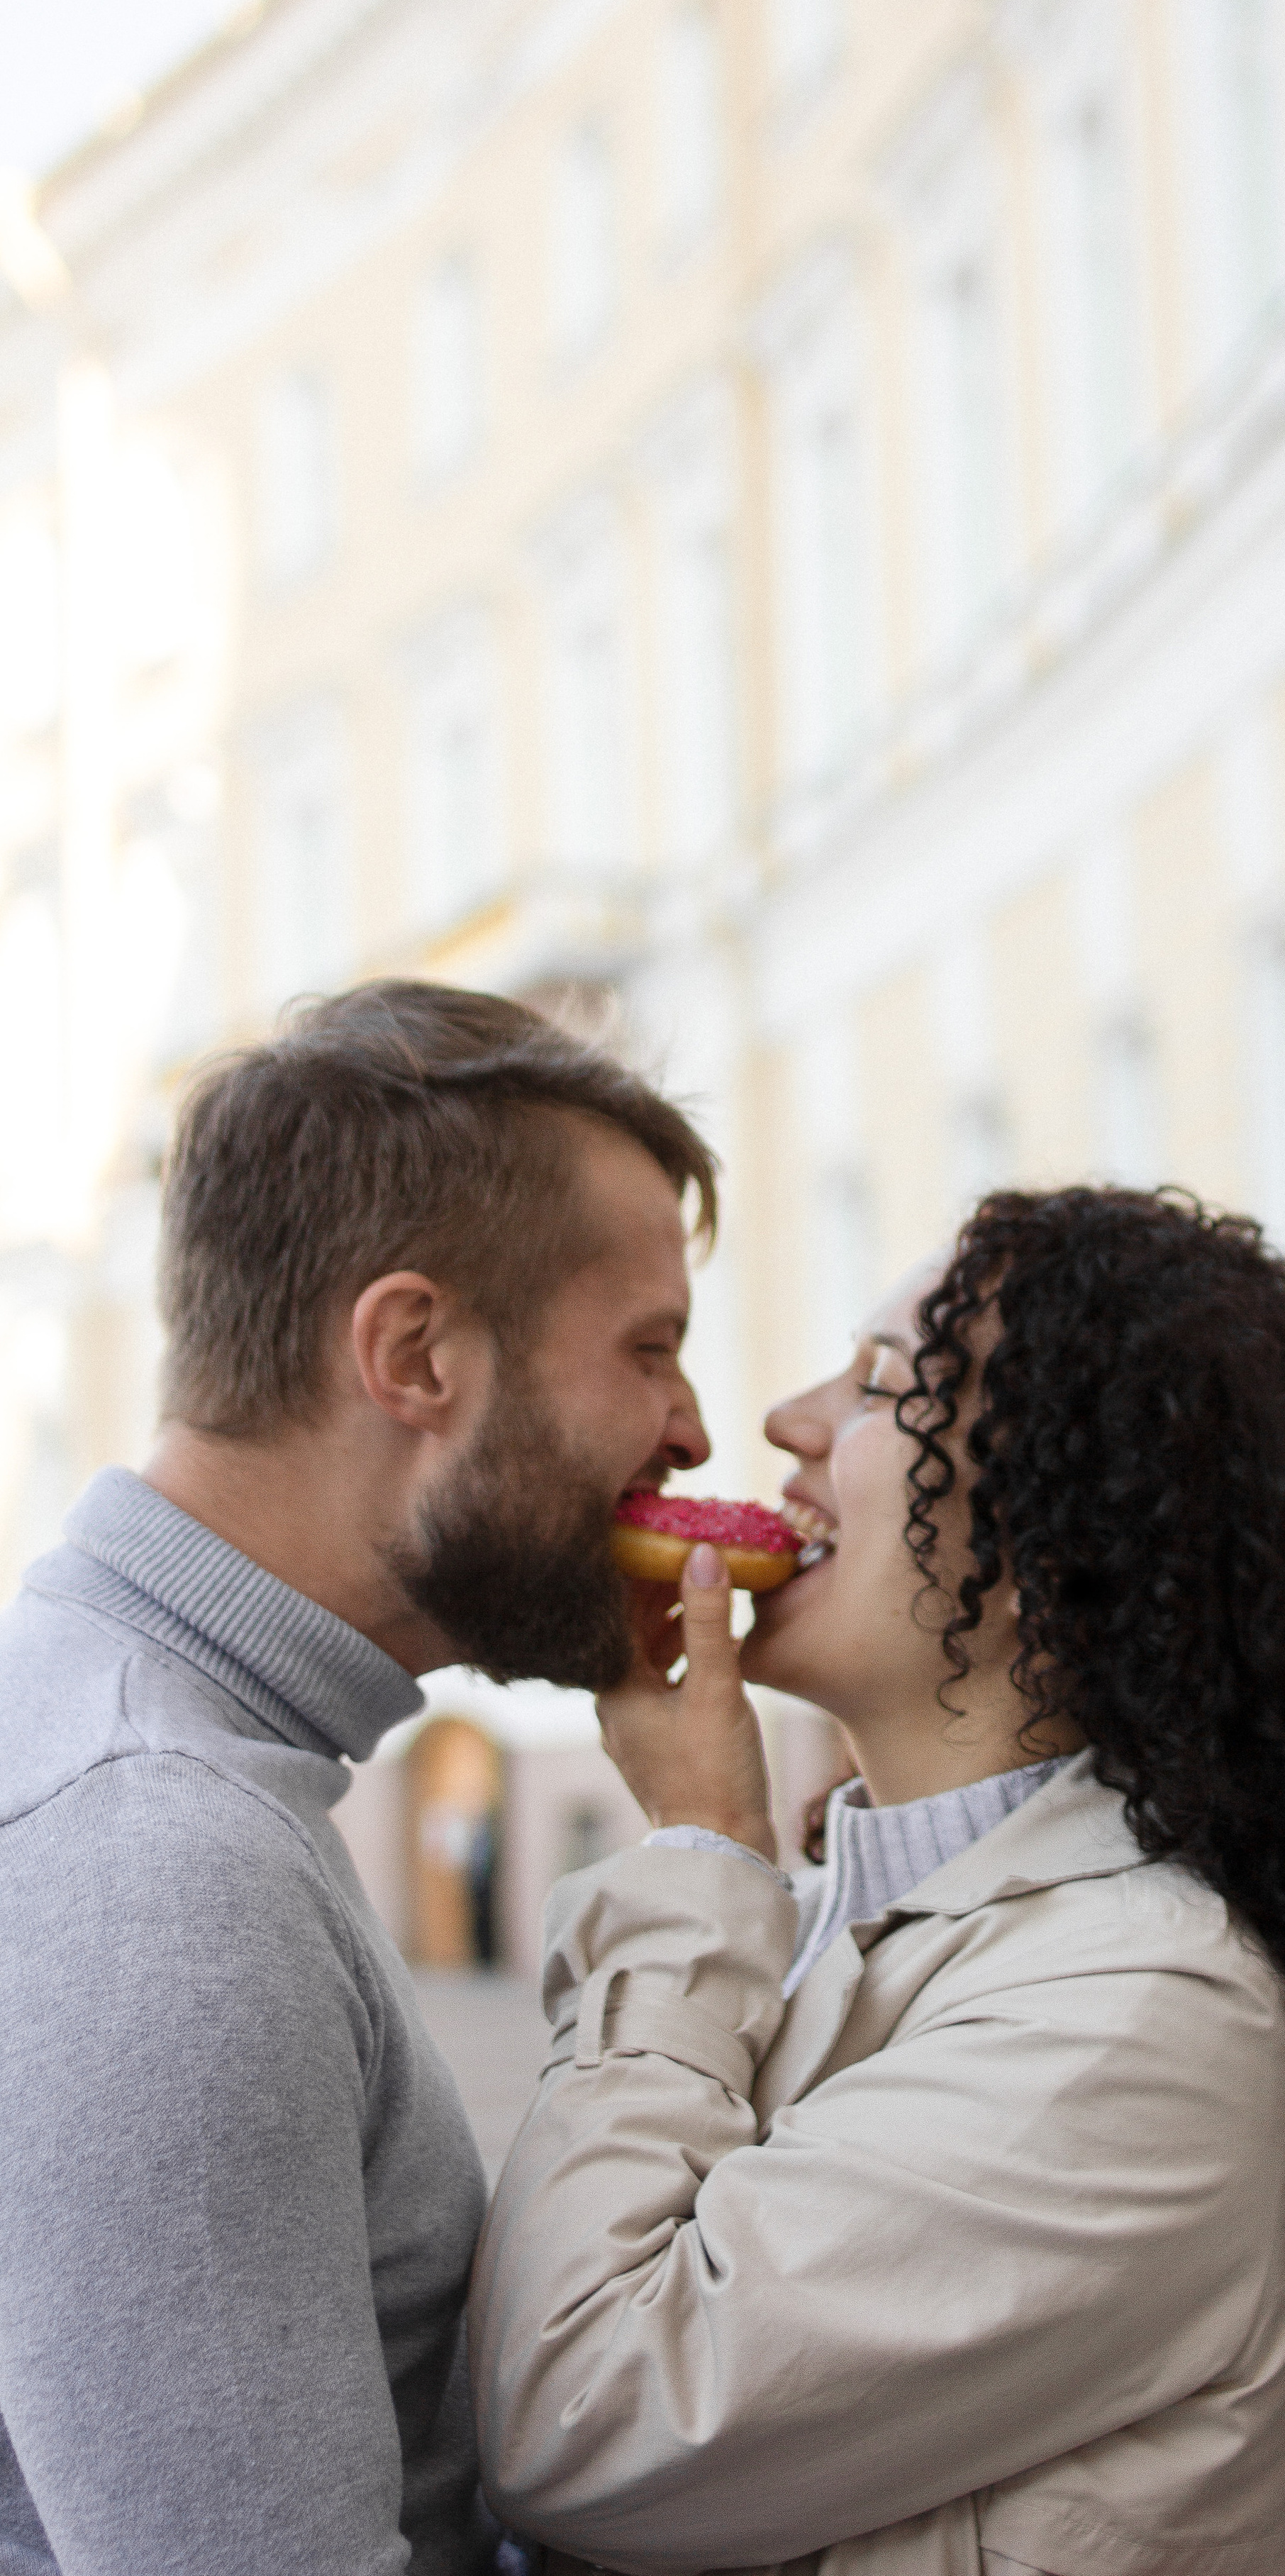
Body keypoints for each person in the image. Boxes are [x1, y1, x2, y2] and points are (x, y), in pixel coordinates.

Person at [471, 1187, 1285, 2576]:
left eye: (878, 1389)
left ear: (1055, 1519)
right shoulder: (808, 1926)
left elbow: (579, 2421)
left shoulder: (1142, 2017)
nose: (788, 1421)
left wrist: (694, 1852)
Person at [0, 982, 716, 2576]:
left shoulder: (178, 1771)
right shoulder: (155, 1862)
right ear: (412, 1353)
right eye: (648, 1349)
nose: (690, 1429)